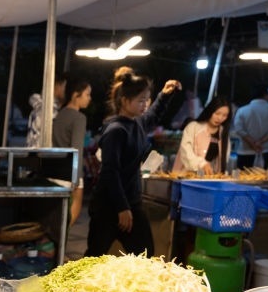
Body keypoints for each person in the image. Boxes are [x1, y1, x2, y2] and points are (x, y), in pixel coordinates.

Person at [85, 67, 181, 258]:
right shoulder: (116, 130)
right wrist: (122, 207)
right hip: (108, 207)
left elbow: (153, 116)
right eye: (141, 100)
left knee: (144, 254)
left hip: (131, 203)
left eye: (147, 99)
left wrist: (164, 95)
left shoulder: (136, 123)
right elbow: (110, 172)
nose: (145, 105)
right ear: (124, 101)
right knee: (94, 257)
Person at [53, 76, 92, 225]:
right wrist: (76, 177)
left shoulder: (59, 114)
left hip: (55, 170)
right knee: (71, 213)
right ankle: (63, 237)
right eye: (87, 94)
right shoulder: (79, 118)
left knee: (58, 214)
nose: (89, 98)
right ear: (76, 95)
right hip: (70, 170)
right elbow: (77, 149)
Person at [172, 96, 232, 175]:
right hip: (187, 177)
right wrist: (201, 164)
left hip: (210, 178)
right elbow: (186, 151)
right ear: (210, 111)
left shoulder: (223, 133)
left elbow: (223, 160)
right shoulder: (193, 127)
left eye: (224, 115)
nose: (220, 118)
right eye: (217, 113)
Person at [233, 83, 268, 169]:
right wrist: (261, 142)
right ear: (267, 94)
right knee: (262, 176)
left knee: (243, 176)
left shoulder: (242, 110)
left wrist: (252, 143)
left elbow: (238, 129)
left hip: (245, 151)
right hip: (264, 150)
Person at [27, 72, 67, 148]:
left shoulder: (39, 106)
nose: (64, 91)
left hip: (33, 150)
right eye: (63, 87)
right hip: (42, 152)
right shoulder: (48, 110)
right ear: (57, 86)